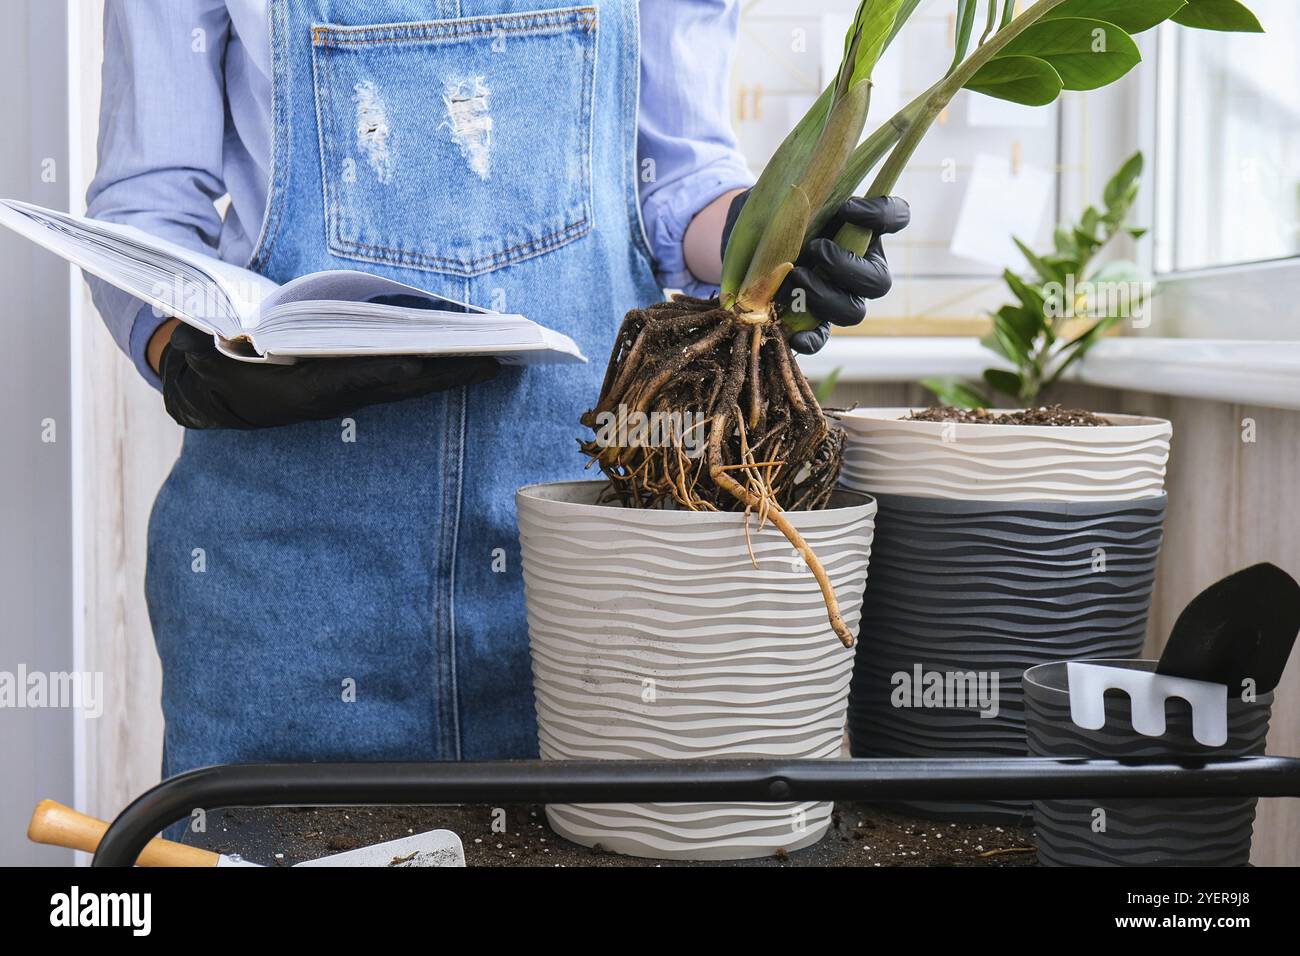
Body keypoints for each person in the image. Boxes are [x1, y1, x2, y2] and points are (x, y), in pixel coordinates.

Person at [86, 0, 908, 779]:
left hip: (584, 588)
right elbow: (146, 204)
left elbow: (678, 179)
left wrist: (763, 237)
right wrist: (183, 355)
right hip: (286, 600)